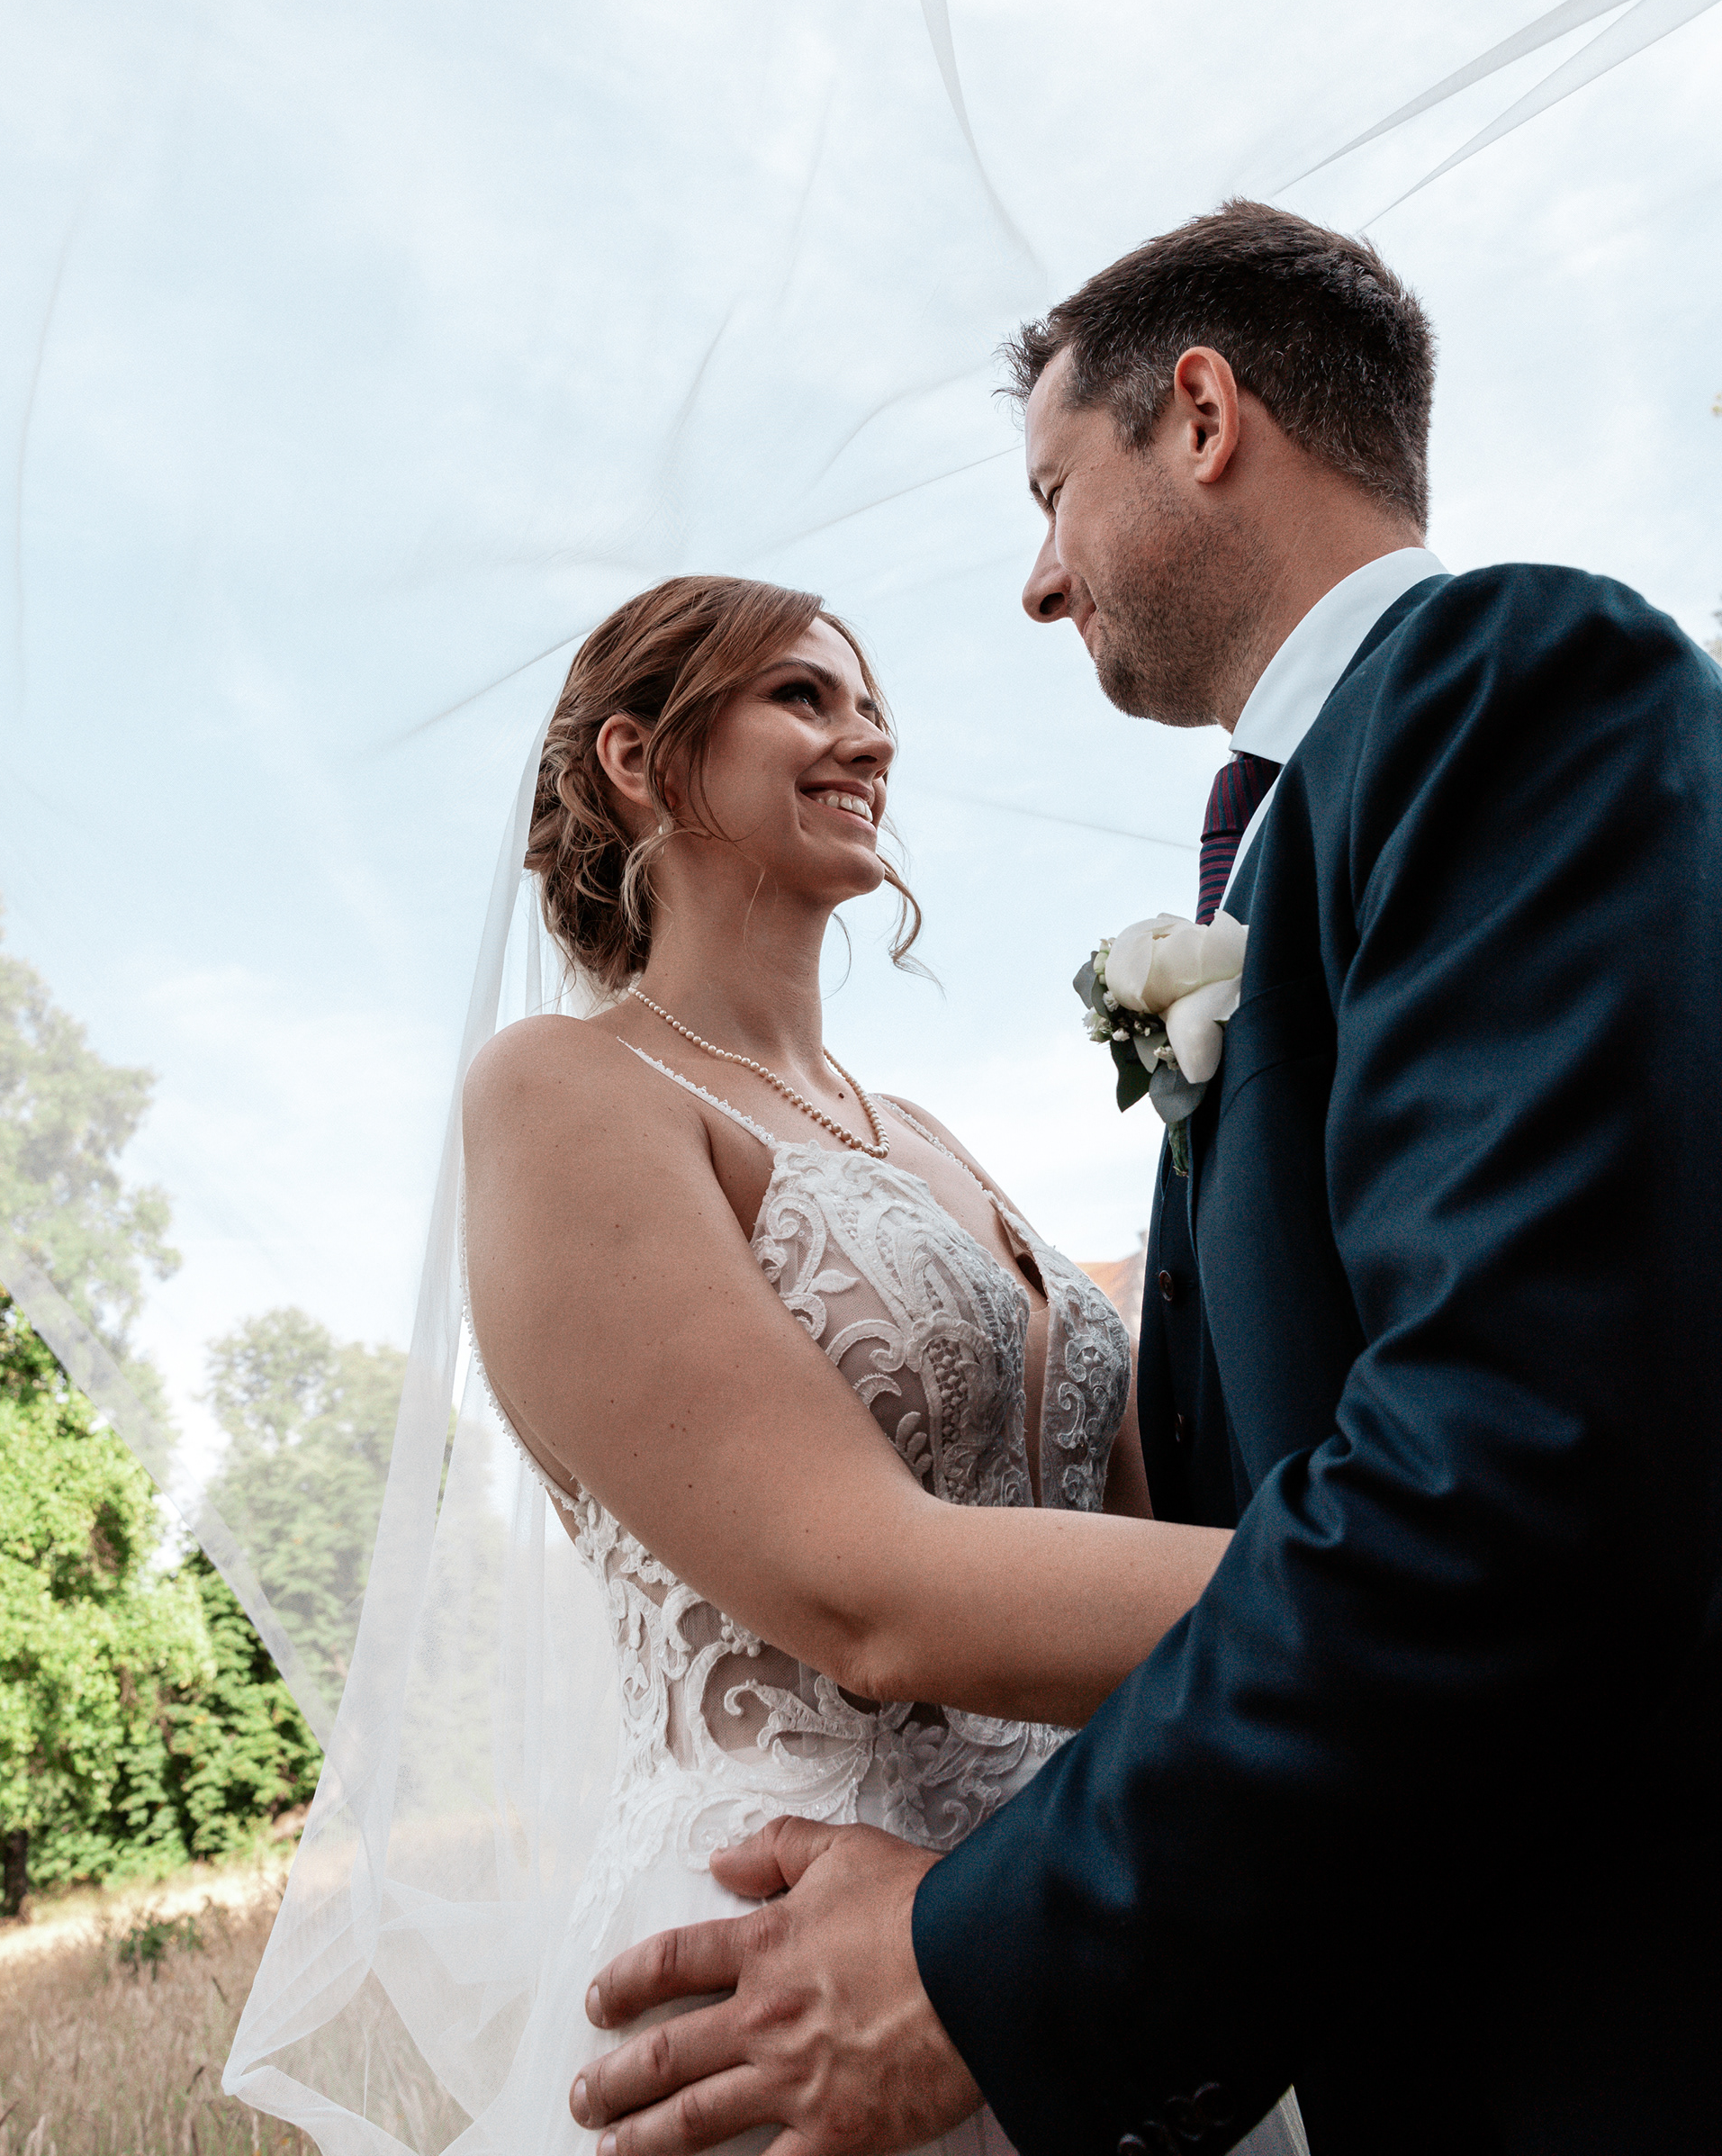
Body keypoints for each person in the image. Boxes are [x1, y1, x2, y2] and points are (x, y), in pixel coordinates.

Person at [571, 200, 1722, 2156]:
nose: (1034, 584)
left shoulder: (1510, 687)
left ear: (1199, 414)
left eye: (1048, 492)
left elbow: (1515, 1466)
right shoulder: (1286, 845)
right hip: (1356, 1995)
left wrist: (990, 1956)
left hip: (1596, 2022)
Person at [460, 572, 1309, 2156]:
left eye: (870, 704)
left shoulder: (920, 1137)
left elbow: (1124, 1523)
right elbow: (871, 1590)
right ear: (639, 760)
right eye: (804, 695)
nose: (868, 738)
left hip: (1069, 1928)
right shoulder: (568, 1095)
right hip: (794, 1958)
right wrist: (1418, 1585)